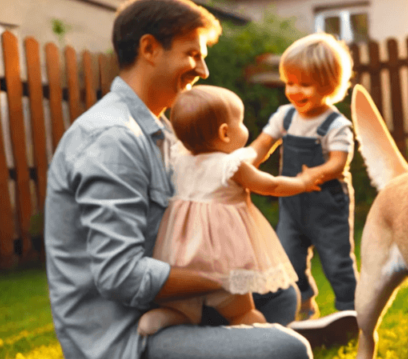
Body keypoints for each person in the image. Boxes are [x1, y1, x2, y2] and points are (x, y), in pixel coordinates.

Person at [45, 0, 350, 359]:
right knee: (286, 355)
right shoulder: (112, 139)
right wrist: (223, 278)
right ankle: (276, 340)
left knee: (281, 293)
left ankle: (263, 333)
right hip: (126, 339)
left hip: (168, 307)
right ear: (150, 49)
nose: (204, 70)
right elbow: (120, 275)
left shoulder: (163, 132)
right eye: (193, 54)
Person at [137, 85, 324, 336]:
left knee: (183, 308)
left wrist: (270, 139)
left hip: (181, 260)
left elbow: (251, 154)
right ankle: (266, 340)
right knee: (242, 312)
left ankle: (163, 316)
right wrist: (303, 182)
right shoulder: (231, 166)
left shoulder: (182, 159)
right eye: (241, 122)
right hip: (221, 262)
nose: (244, 127)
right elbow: (271, 185)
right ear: (225, 133)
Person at [249, 33, 359, 322]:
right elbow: (262, 145)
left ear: (329, 85)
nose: (295, 91)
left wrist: (316, 173)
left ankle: (351, 310)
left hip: (327, 207)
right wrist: (245, 162)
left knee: (337, 262)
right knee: (288, 258)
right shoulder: (285, 116)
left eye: (305, 84)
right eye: (290, 82)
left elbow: (338, 162)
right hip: (292, 205)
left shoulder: (335, 124)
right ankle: (305, 301)